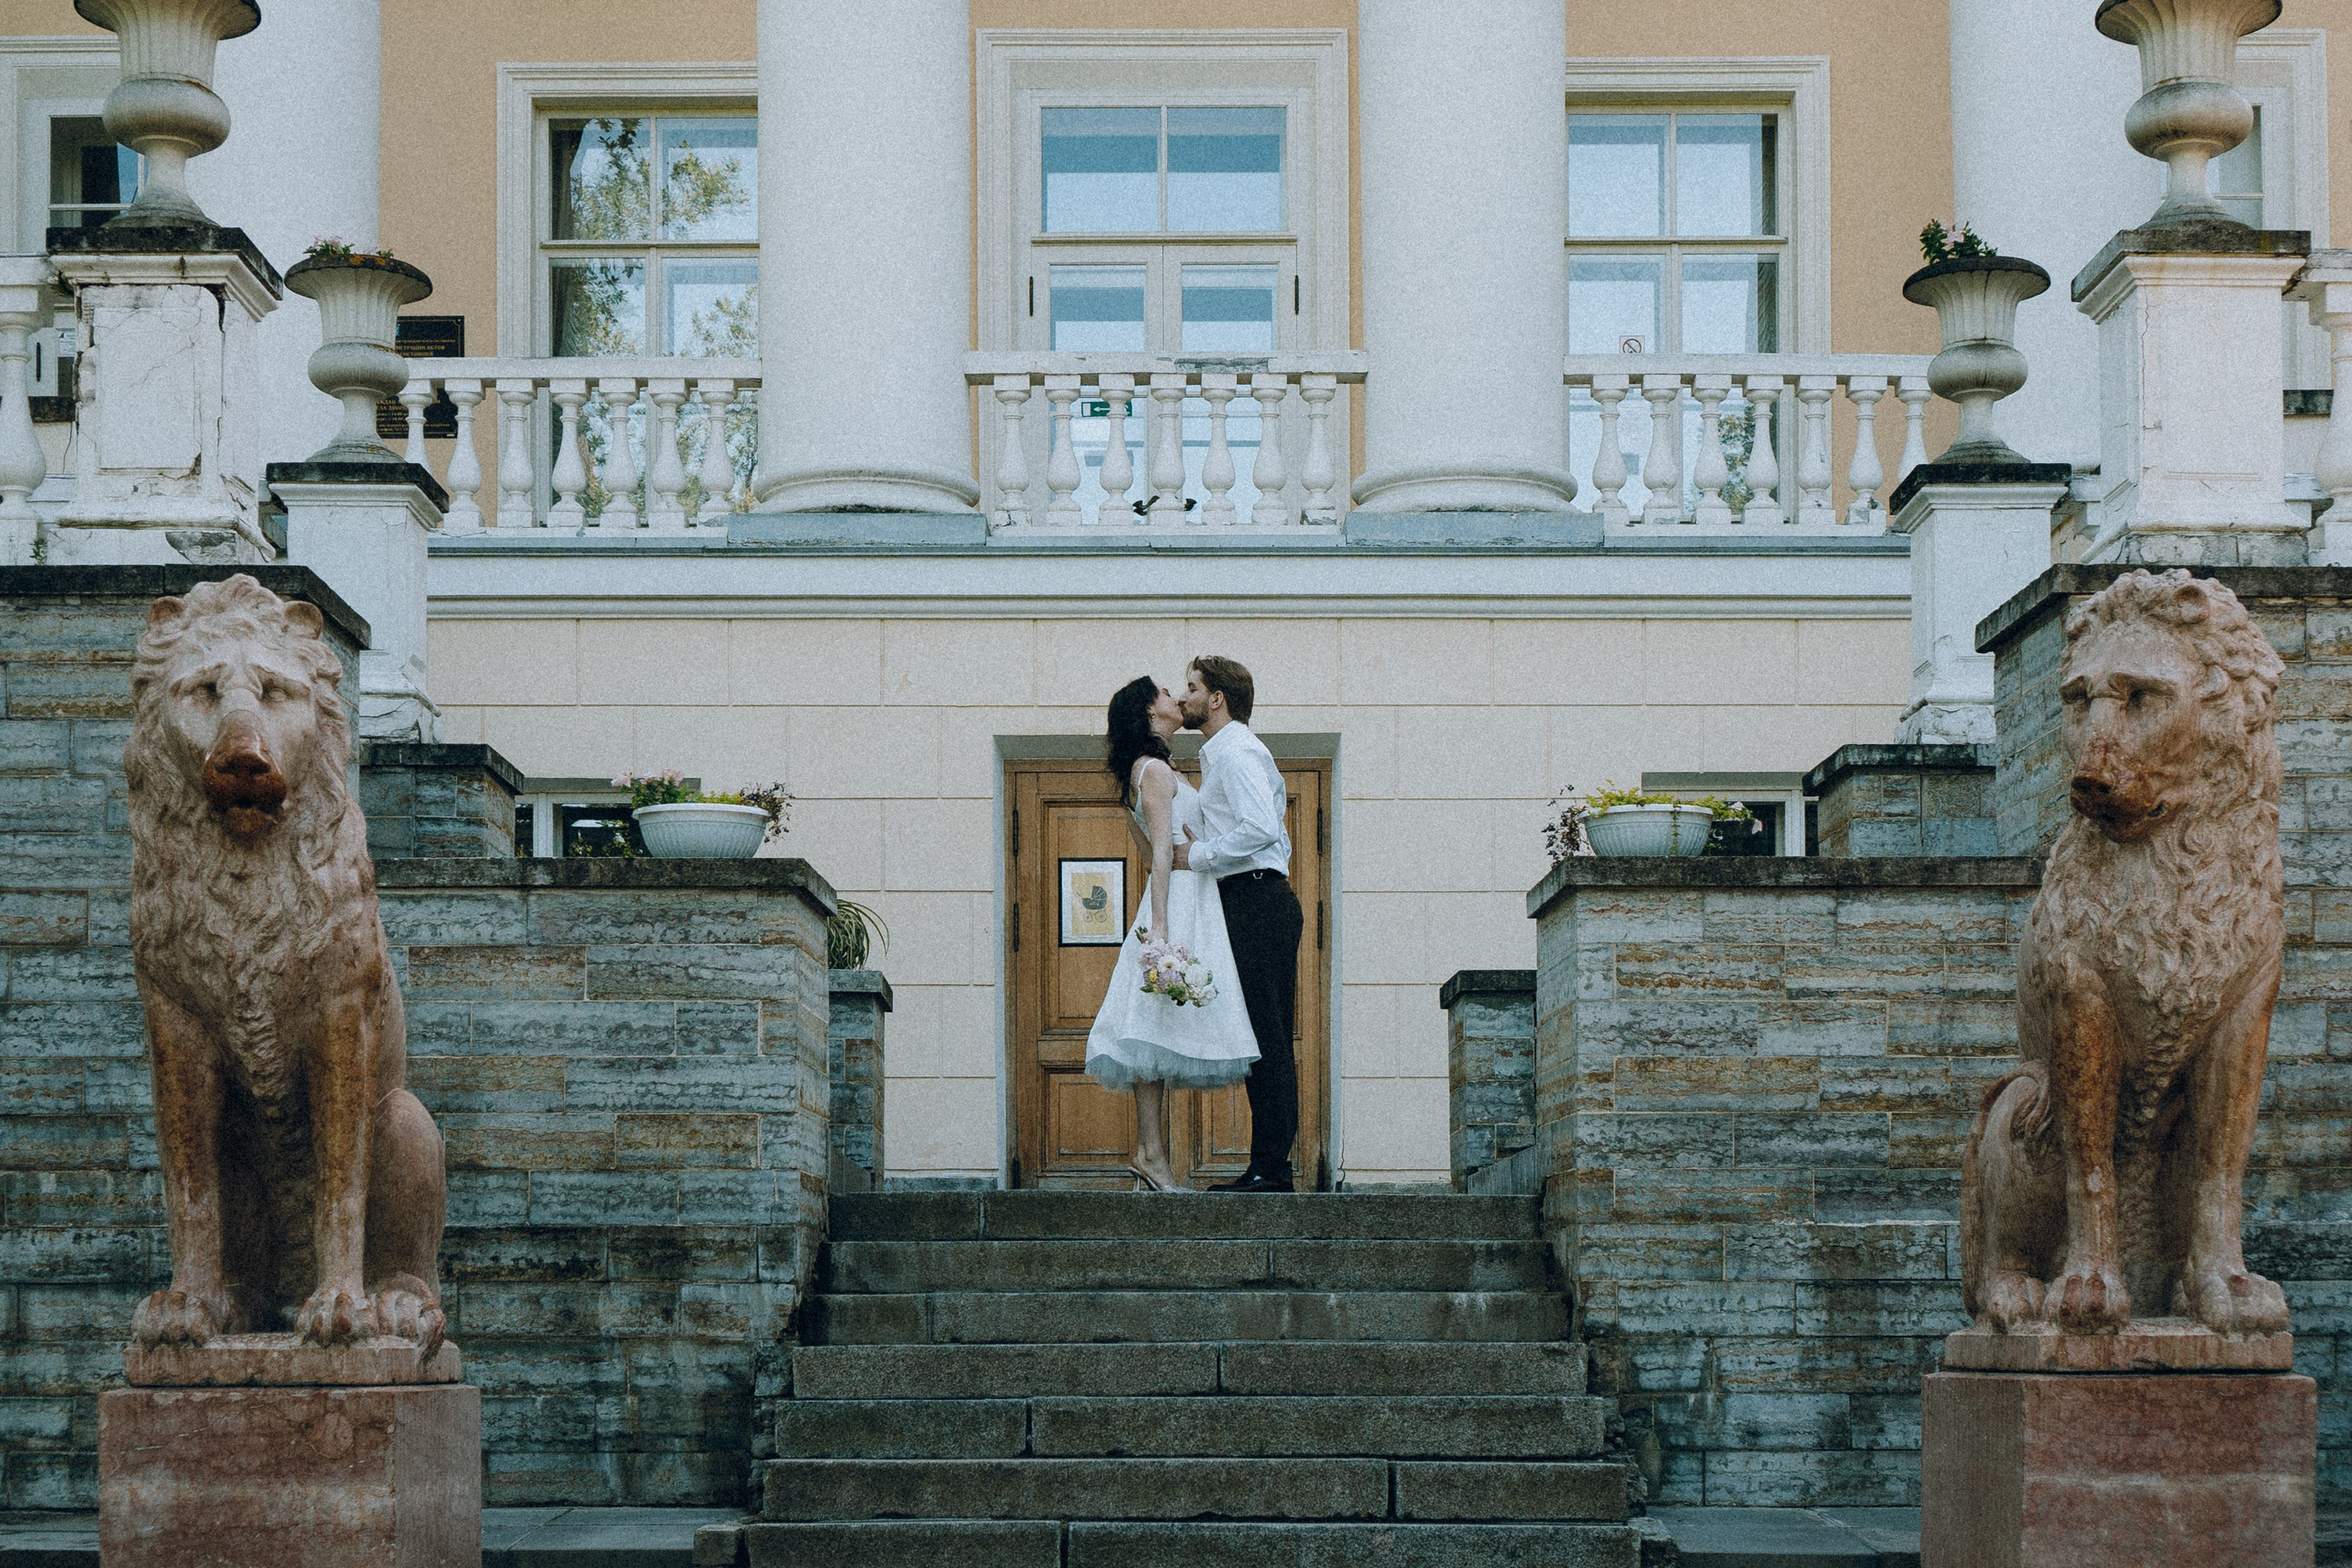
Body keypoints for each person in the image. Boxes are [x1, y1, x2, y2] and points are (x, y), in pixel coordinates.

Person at [1084, 675, 1261, 1191]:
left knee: (1153, 1029)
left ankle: (1149, 1155)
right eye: (1165, 693)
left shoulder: (1145, 772)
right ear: (1148, 713)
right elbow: (1160, 853)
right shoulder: (1157, 772)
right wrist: (1161, 929)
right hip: (1179, 904)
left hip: (1182, 898)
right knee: (1152, 1026)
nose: (1176, 698)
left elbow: (1148, 855)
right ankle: (1151, 1155)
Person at [1172, 655, 1304, 1193]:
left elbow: (1261, 829)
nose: (1184, 698)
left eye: (1192, 688)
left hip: (1258, 901)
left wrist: (1198, 855)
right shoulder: (1221, 754)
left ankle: (1271, 1170)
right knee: (1260, 1035)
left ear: (1217, 698)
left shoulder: (1238, 751)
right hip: (1247, 901)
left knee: (1268, 1038)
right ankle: (1267, 1167)